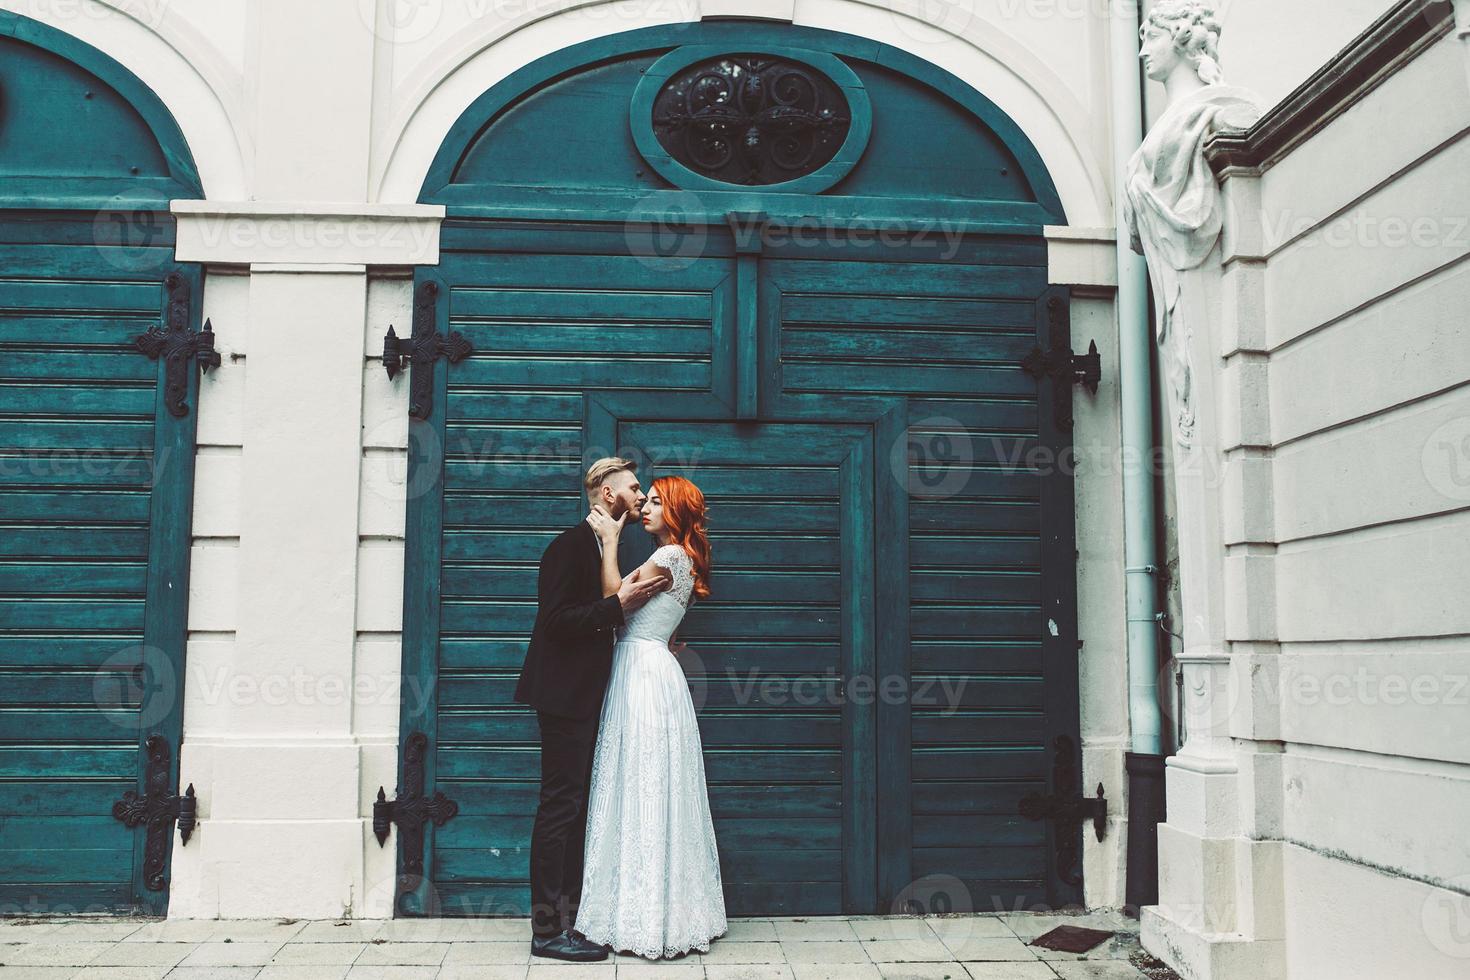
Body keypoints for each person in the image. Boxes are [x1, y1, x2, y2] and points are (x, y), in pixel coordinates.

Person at [513, 457, 669, 962]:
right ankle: (544, 933)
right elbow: (556, 622)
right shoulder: (568, 545)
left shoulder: (601, 546)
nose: (641, 496)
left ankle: (572, 919)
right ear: (608, 495)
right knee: (559, 807)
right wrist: (617, 607)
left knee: (574, 807)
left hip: (585, 696)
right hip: (562, 696)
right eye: (634, 487)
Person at [575, 474, 728, 959]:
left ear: (677, 512)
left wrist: (611, 541)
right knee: (652, 782)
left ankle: (640, 915)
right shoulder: (680, 557)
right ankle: (662, 910)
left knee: (639, 779)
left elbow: (613, 598)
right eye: (648, 500)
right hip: (653, 668)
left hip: (642, 670)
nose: (646, 507)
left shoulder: (667, 556)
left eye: (657, 502)